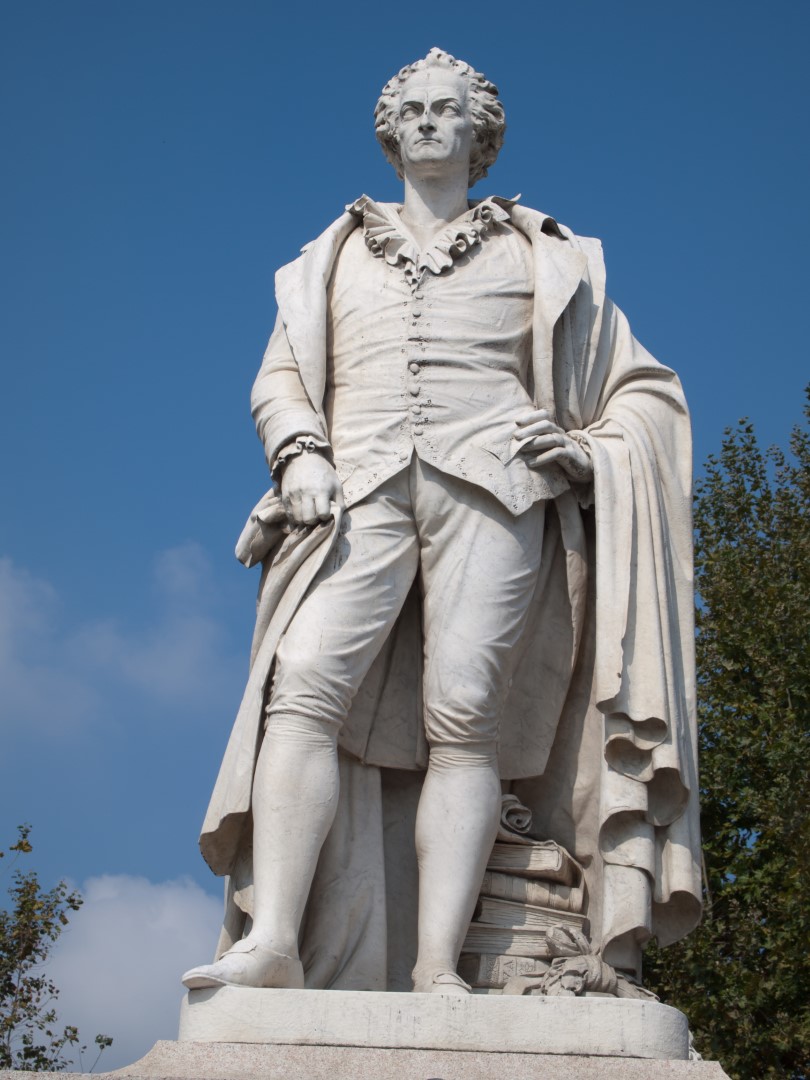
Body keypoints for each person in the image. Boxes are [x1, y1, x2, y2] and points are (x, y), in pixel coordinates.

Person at [183, 48, 701, 995]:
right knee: (302, 685)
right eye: (411, 109)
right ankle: (276, 942)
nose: (426, 120)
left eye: (445, 109)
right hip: (358, 487)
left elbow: (645, 392)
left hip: (497, 488)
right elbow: (281, 376)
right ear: (390, 134)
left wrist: (590, 451)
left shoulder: (544, 255)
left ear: (480, 134)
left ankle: (436, 970)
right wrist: (299, 453)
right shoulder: (330, 256)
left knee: (465, 718)